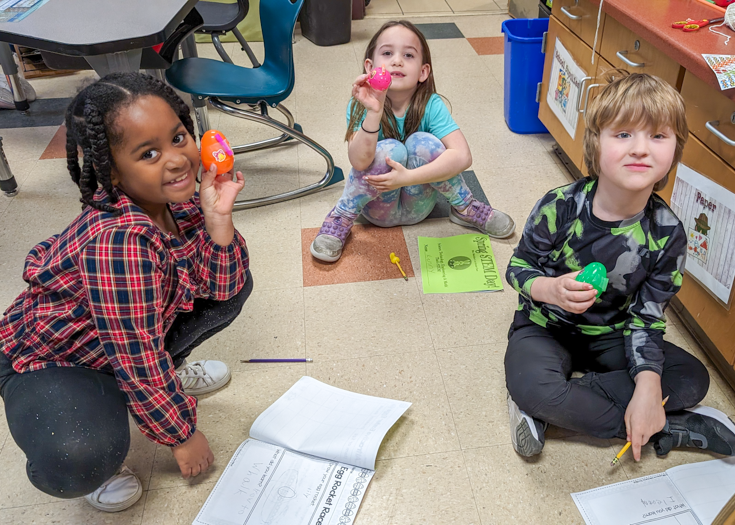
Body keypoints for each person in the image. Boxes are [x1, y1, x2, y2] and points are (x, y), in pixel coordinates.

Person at [0, 73, 251, 512]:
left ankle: (160, 383)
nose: (177, 160)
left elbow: (222, 286)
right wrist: (181, 434)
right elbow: (135, 354)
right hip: (52, 359)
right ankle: (95, 445)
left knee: (232, 281)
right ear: (112, 171)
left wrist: (217, 219)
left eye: (178, 137)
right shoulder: (120, 242)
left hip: (118, 339)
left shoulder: (176, 199)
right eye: (149, 153)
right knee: (77, 457)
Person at [504, 72, 735, 460]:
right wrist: (551, 289)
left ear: (675, 150)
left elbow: (647, 317)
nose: (641, 149)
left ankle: (558, 409)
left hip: (615, 335)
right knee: (535, 385)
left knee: (692, 379)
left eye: (658, 136)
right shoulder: (560, 205)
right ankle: (669, 427)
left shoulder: (668, 233)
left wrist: (646, 386)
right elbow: (518, 267)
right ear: (596, 144)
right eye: (624, 134)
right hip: (545, 327)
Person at [310, 20, 515, 263]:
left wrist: (407, 178)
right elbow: (358, 161)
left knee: (422, 143)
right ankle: (342, 216)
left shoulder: (432, 104)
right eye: (387, 53)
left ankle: (465, 208)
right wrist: (373, 111)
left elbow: (462, 156)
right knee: (391, 150)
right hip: (376, 210)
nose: (397, 60)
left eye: (408, 55)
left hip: (420, 208)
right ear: (370, 66)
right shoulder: (360, 103)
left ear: (423, 72)